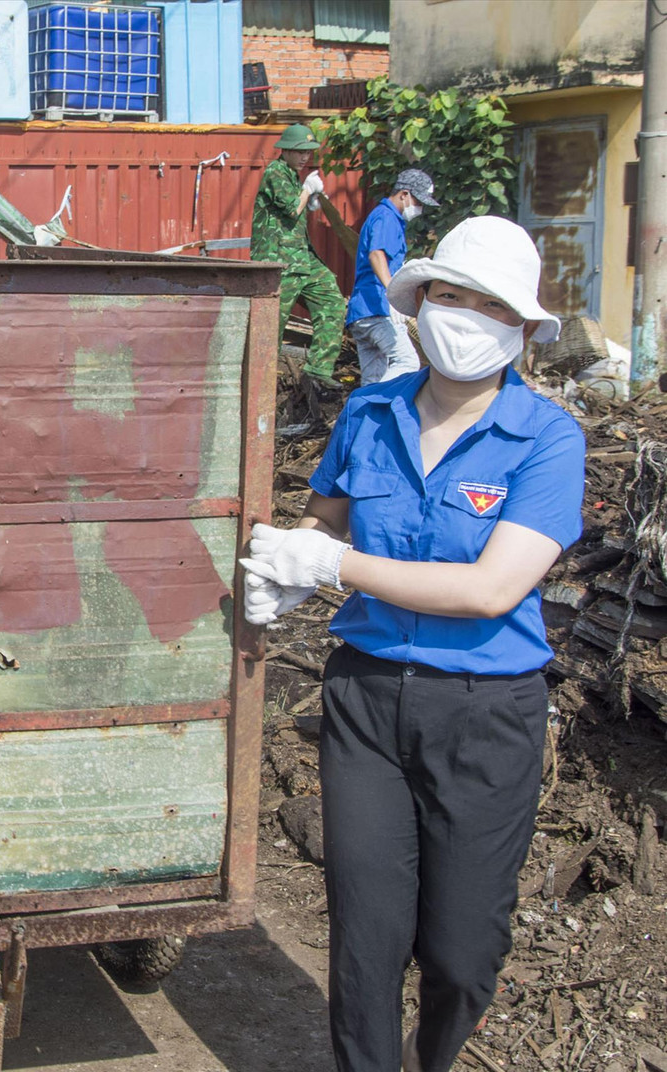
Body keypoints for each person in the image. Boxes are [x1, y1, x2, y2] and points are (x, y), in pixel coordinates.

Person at [241, 216, 583, 1072]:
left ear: (522, 327)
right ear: (420, 302)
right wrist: (287, 560)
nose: (464, 316)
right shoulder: (370, 411)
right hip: (365, 701)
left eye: (489, 304)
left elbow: (490, 591)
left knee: (464, 954)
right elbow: (326, 519)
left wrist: (333, 562)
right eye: (450, 294)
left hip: (485, 713)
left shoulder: (546, 438)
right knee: (367, 935)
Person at [250, 123, 346, 387]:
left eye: (308, 152)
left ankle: (319, 370)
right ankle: (261, 383)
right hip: (278, 263)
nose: (305, 157)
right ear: (286, 151)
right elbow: (293, 209)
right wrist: (307, 190)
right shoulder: (275, 172)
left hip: (303, 261)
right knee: (271, 326)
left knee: (333, 302)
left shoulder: (291, 175)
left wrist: (310, 196)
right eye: (299, 151)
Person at [346, 169, 440, 385]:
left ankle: (365, 415)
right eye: (418, 201)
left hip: (362, 313)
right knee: (407, 361)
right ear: (404, 194)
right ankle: (379, 402)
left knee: (373, 378)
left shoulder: (383, 216)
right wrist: (393, 295)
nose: (420, 208)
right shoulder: (387, 217)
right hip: (377, 309)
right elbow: (376, 253)